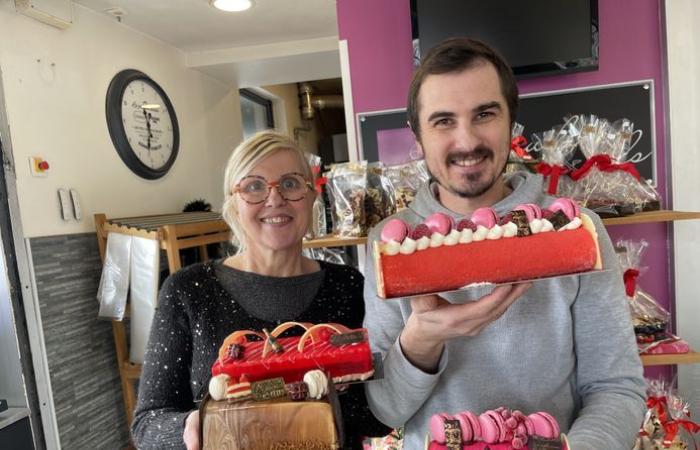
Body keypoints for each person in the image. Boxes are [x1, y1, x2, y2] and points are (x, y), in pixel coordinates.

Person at [363, 37, 646, 450]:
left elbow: (616, 387)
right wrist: (422, 338)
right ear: (418, 135)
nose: (467, 141)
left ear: (511, 121)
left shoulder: (576, 230)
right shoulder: (389, 246)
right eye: (443, 121)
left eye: (485, 114)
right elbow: (386, 413)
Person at [131, 130, 389, 449]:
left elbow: (376, 417)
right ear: (234, 204)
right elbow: (147, 425)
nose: (274, 198)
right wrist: (192, 426)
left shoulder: (348, 285)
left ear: (311, 196)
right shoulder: (187, 291)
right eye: (254, 186)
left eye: (291, 183)